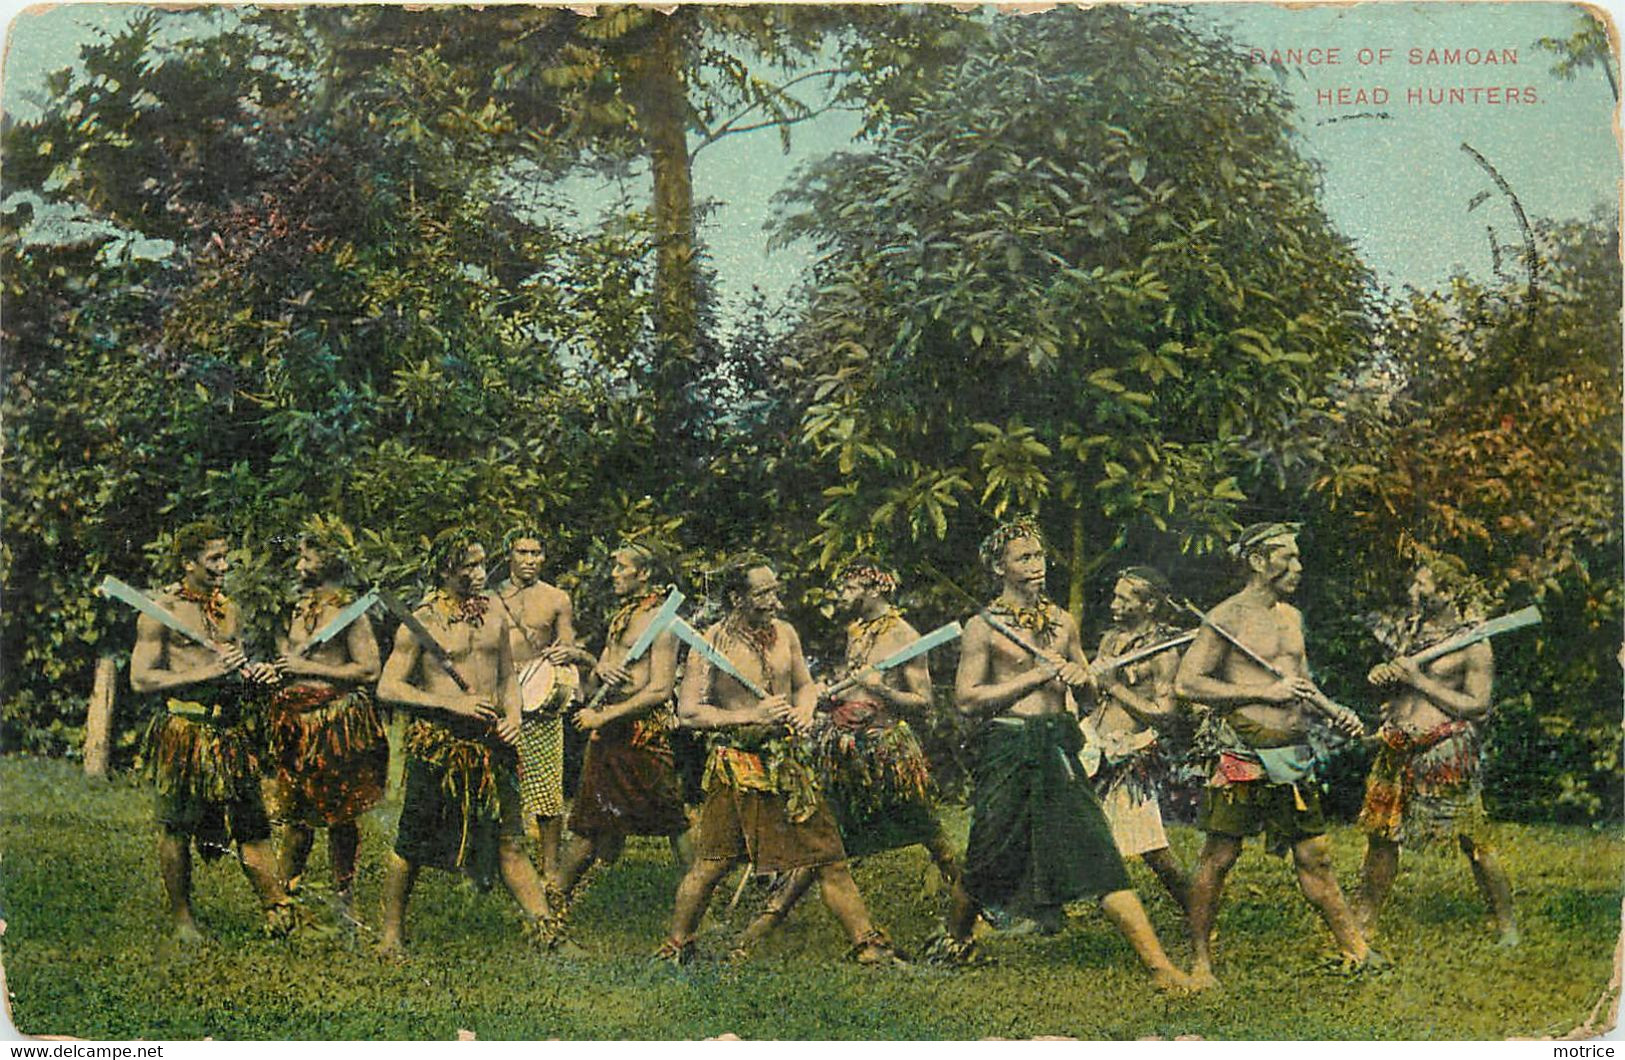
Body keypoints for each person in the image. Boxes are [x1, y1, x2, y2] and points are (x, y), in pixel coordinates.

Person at [942, 518, 1192, 991]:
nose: (1037, 567)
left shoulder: (1062, 623)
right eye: (1024, 558)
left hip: (1059, 742)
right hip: (1009, 744)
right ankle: (953, 943)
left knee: (1097, 848)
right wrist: (1035, 677)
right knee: (987, 852)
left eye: (1039, 556)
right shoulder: (983, 627)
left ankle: (1158, 966)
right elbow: (967, 698)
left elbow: (1091, 688)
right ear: (999, 567)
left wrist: (1087, 680)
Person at [654, 556, 902, 966]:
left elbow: (804, 686)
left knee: (829, 859)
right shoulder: (712, 643)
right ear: (736, 597)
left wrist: (803, 711)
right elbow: (689, 713)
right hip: (739, 768)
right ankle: (675, 947)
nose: (773, 601)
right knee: (712, 865)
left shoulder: (786, 633)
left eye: (774, 591)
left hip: (789, 766)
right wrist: (751, 715)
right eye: (762, 593)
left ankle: (868, 946)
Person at [731, 559, 969, 956]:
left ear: (874, 590)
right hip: (845, 752)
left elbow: (923, 703)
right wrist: (830, 698)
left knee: (932, 836)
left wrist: (884, 691)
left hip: (885, 755)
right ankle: (763, 928)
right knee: (825, 840)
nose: (841, 595)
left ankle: (972, 915)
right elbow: (855, 691)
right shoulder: (856, 631)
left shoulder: (903, 635)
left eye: (849, 587)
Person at [1174, 522, 1375, 989]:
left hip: (1293, 755)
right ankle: (1201, 963)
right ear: (1259, 561)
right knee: (1220, 855)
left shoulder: (1291, 617)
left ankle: (1357, 950)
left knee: (1315, 855)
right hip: (1242, 750)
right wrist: (1264, 689)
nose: (1299, 567)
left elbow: (1299, 683)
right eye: (1289, 557)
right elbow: (1188, 684)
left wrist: (1333, 710)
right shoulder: (1226, 617)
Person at [375, 532, 563, 957]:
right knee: (412, 844)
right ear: (445, 570)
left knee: (511, 841)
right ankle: (390, 934)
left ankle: (548, 934)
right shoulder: (423, 621)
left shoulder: (493, 612)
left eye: (482, 565)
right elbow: (388, 687)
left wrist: (514, 717)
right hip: (441, 746)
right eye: (469, 567)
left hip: (492, 742)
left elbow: (507, 677)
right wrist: (449, 701)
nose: (480, 575)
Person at [129, 520, 294, 940]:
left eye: (226, 557)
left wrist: (252, 674)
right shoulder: (160, 612)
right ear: (187, 563)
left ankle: (277, 910)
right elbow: (142, 679)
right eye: (214, 558)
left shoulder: (228, 608)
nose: (224, 566)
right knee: (176, 827)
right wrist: (204, 671)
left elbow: (231, 669)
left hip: (229, 731)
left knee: (252, 824)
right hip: (184, 729)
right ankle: (183, 919)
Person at [1354, 560, 1518, 945]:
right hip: (1397, 746)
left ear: (1447, 592)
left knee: (1472, 839)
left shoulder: (1474, 644)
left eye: (1422, 583)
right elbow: (1400, 687)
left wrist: (1418, 679)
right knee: (1381, 838)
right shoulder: (1412, 637)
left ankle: (1506, 925)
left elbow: (1478, 705)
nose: (1414, 590)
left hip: (1444, 752)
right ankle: (1364, 923)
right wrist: (1385, 674)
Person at [550, 542, 692, 907]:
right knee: (590, 821)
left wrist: (603, 716)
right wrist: (593, 665)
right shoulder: (624, 614)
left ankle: (698, 903)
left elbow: (659, 690)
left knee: (674, 821)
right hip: (610, 732)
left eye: (621, 567)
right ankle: (554, 902)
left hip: (641, 733)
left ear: (644, 574)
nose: (613, 574)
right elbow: (603, 671)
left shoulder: (664, 623)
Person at [264, 532, 388, 924]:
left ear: (330, 560)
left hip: (335, 722)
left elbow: (369, 669)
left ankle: (343, 898)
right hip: (295, 722)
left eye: (307, 557)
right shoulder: (296, 609)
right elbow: (288, 661)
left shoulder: (351, 613)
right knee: (295, 817)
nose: (299, 565)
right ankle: (284, 897)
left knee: (340, 816)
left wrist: (308, 668)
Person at [489, 529, 592, 886]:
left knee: (547, 790)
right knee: (497, 784)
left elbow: (569, 645)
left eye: (537, 552)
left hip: (539, 698)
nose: (530, 560)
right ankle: (496, 863)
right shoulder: (489, 598)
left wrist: (569, 652)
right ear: (509, 555)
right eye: (523, 552)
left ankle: (549, 868)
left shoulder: (557, 598)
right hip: (499, 695)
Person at [1086, 566, 1191, 913]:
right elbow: (1096, 692)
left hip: (1128, 755)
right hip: (1092, 744)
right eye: (1114, 595)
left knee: (1151, 848)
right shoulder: (1111, 640)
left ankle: (1196, 908)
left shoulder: (1164, 651)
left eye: (1123, 598)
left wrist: (1114, 684)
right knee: (1062, 823)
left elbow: (1165, 714)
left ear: (1148, 605)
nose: (1113, 604)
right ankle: (1043, 912)